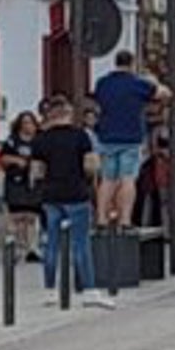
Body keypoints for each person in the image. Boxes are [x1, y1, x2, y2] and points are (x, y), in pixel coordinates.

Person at [31, 96, 113, 309]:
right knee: (80, 244)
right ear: (68, 113)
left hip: (51, 195)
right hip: (76, 193)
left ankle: (49, 291)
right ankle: (89, 290)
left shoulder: (41, 139)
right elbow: (91, 166)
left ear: (50, 115)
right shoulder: (81, 136)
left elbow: (37, 171)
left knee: (51, 244)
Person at [93, 50, 172, 227]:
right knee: (127, 178)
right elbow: (165, 94)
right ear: (132, 63)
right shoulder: (137, 83)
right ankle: (125, 218)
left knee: (107, 178)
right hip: (131, 136)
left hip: (106, 135)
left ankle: (102, 217)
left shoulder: (103, 83)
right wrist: (153, 81)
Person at [0, 111, 44, 263]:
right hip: (16, 181)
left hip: (34, 182)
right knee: (17, 216)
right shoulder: (12, 141)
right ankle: (17, 248)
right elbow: (3, 158)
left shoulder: (40, 140)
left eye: (30, 122)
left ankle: (32, 247)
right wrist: (17, 160)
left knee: (31, 217)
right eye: (24, 122)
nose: (28, 126)